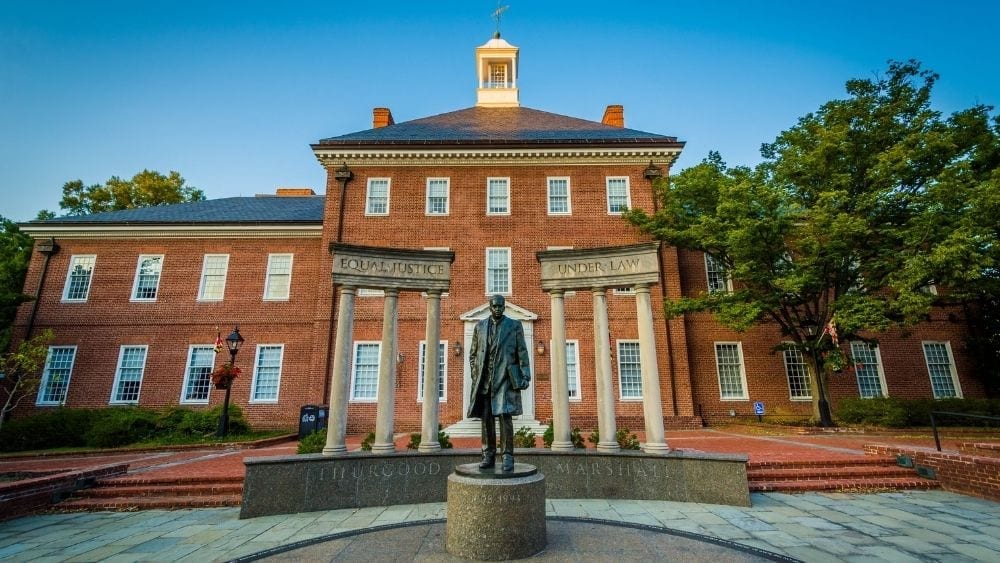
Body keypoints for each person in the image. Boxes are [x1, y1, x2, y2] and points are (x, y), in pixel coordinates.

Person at [468, 294, 531, 471]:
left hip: (504, 378)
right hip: (484, 381)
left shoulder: (514, 325)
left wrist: (525, 375)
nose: (497, 309)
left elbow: (522, 352)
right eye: (494, 306)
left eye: (500, 306)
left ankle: (507, 456)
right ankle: (488, 454)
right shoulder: (479, 327)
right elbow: (473, 355)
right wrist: (475, 373)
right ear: (490, 307)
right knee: (486, 419)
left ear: (504, 307)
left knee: (505, 418)